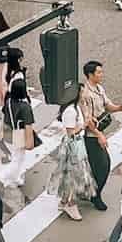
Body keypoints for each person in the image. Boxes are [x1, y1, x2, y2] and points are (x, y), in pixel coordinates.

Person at [48, 83, 95, 221]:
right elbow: (70, 132)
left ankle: (64, 201)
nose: (85, 93)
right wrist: (82, 126)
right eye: (83, 91)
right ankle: (70, 203)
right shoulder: (70, 111)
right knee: (75, 176)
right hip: (73, 146)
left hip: (78, 143)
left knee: (71, 175)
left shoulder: (77, 108)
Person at [79, 60, 122, 212]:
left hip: (97, 133)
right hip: (90, 136)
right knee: (103, 166)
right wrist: (99, 135)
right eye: (98, 72)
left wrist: (119, 108)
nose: (101, 75)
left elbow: (107, 105)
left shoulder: (99, 88)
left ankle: (87, 191)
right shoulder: (85, 94)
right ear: (90, 75)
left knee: (94, 166)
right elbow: (88, 119)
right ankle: (95, 196)